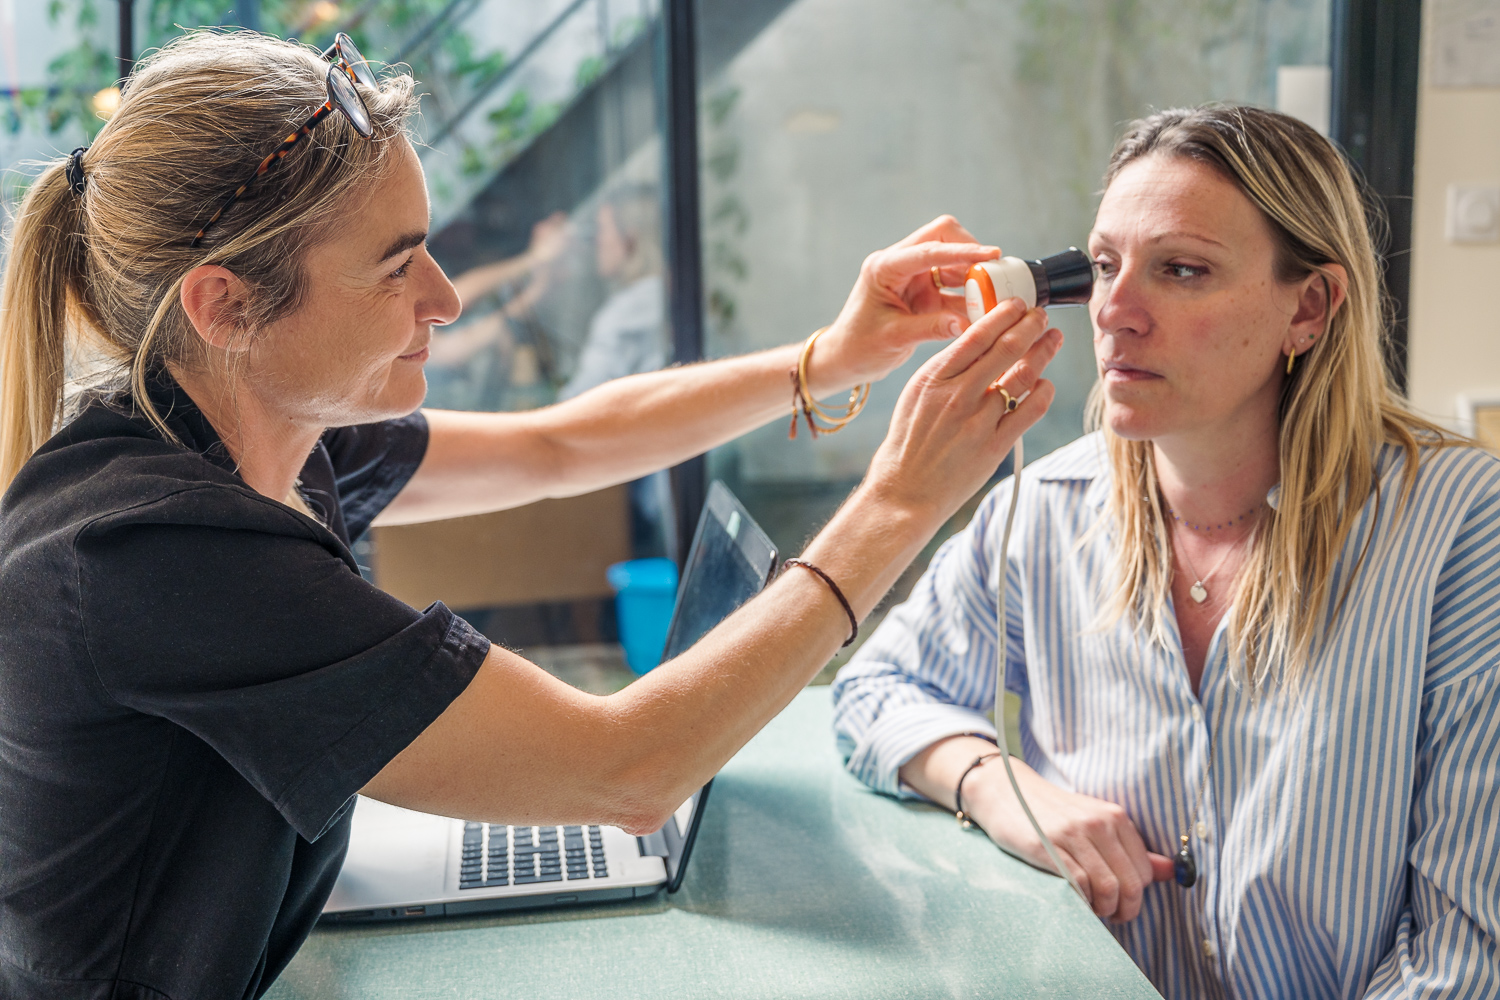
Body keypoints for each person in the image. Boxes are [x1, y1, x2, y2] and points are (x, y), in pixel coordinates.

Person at [0, 31, 1063, 1000]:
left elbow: (562, 445)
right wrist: (901, 499)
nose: (447, 297)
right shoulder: (158, 553)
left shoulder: (261, 430)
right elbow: (628, 769)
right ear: (226, 305)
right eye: (394, 264)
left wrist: (825, 361)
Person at [832, 104, 1500, 998]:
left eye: (1182, 270)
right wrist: (995, 785)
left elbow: (1464, 959)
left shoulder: (1462, 531)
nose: (1116, 310)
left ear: (1309, 308)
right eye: (1106, 266)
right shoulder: (1045, 511)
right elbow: (874, 692)